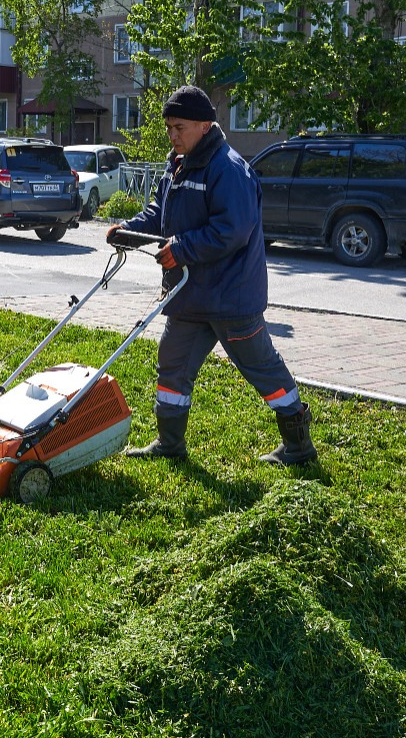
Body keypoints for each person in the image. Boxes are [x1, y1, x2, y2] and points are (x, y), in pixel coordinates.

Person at [108, 85, 317, 466]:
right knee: (172, 364)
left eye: (180, 127)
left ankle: (299, 447)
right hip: (189, 295)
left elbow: (232, 230)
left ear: (205, 125)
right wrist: (128, 228)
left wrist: (183, 249)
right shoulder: (179, 164)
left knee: (263, 371)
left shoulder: (228, 168)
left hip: (230, 299)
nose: (173, 135)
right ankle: (170, 443)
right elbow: (161, 213)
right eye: (169, 127)